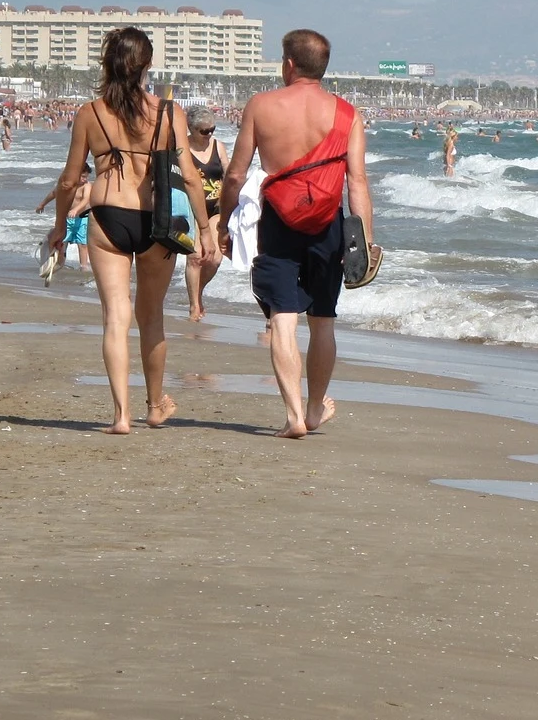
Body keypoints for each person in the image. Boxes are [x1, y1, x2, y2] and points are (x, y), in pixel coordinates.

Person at [46, 27, 217, 435]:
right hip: (156, 222)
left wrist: (60, 228)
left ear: (107, 63)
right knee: (152, 316)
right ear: (147, 66)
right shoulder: (167, 113)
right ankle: (155, 406)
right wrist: (206, 229)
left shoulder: (91, 113)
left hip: (108, 219)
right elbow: (191, 177)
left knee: (115, 318)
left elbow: (70, 181)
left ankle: (121, 416)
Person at [219, 29, 371, 439]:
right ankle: (315, 408)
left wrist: (223, 222)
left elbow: (235, 174)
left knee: (282, 320)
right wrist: (363, 244)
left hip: (279, 225)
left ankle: (292, 416)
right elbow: (357, 183)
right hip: (329, 227)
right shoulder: (347, 113)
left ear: (288, 64)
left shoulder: (261, 106)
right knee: (323, 322)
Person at [184, 105, 229, 322]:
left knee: (214, 259)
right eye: (204, 131)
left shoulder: (217, 146)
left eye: (212, 129)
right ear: (191, 129)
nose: (209, 134)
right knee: (195, 256)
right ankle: (194, 305)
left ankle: (198, 291)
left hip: (216, 208)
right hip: (191, 207)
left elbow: (229, 174)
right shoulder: (181, 147)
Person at [38, 161, 93, 272]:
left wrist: (76, 209)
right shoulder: (68, 186)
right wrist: (42, 204)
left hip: (81, 219)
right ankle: (59, 264)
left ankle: (84, 266)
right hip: (67, 219)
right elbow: (54, 193)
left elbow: (86, 199)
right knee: (62, 243)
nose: (84, 179)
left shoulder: (86, 186)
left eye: (86, 177)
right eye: (82, 177)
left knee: (82, 244)